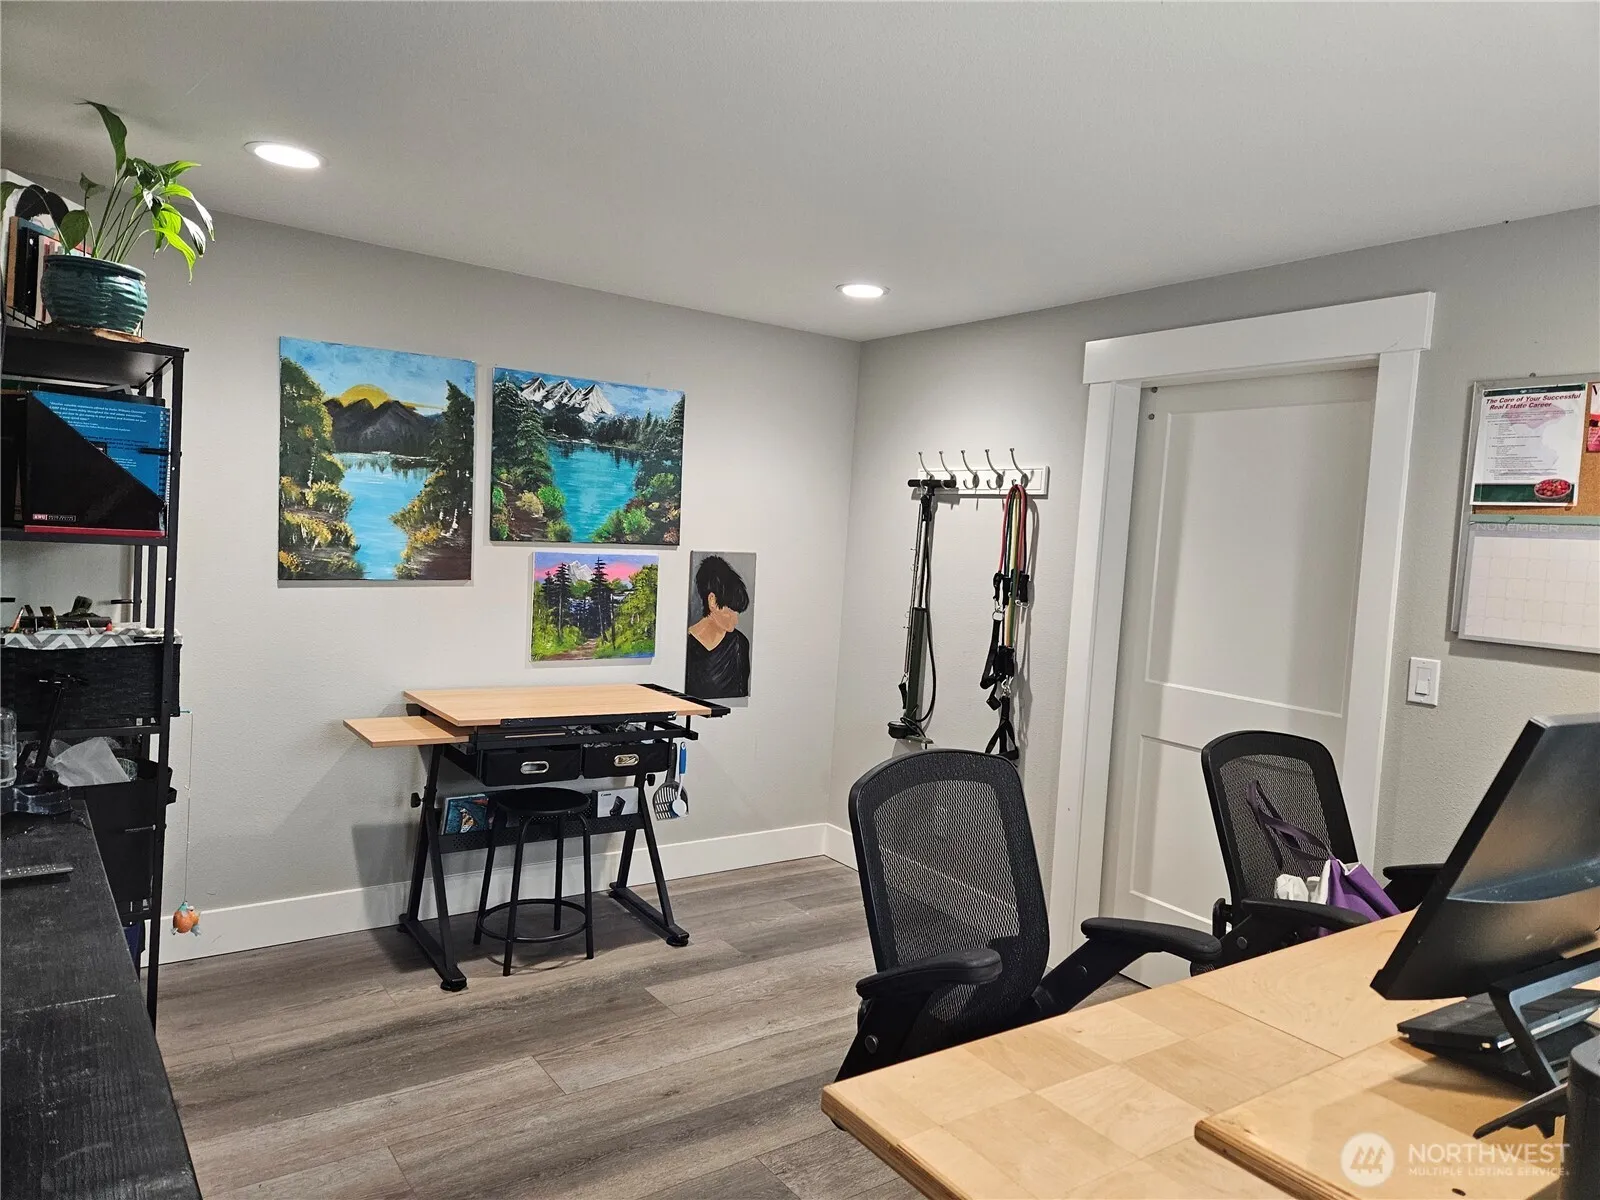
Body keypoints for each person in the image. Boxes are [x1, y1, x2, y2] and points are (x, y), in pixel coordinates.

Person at [685, 555, 751, 700]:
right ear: (712, 601)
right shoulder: (686, 646)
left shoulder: (740, 644)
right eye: (731, 611)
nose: (736, 620)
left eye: (737, 613)